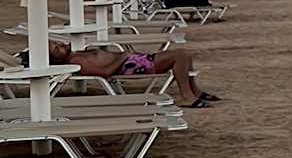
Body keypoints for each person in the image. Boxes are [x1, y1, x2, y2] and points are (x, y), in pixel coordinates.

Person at [48, 39, 214, 108]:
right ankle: (187, 96)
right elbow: (105, 73)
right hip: (132, 66)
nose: (61, 45)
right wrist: (124, 57)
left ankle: (195, 91)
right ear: (56, 59)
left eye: (57, 43)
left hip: (133, 61)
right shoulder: (76, 62)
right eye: (57, 49)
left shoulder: (76, 55)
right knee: (180, 56)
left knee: (184, 54)